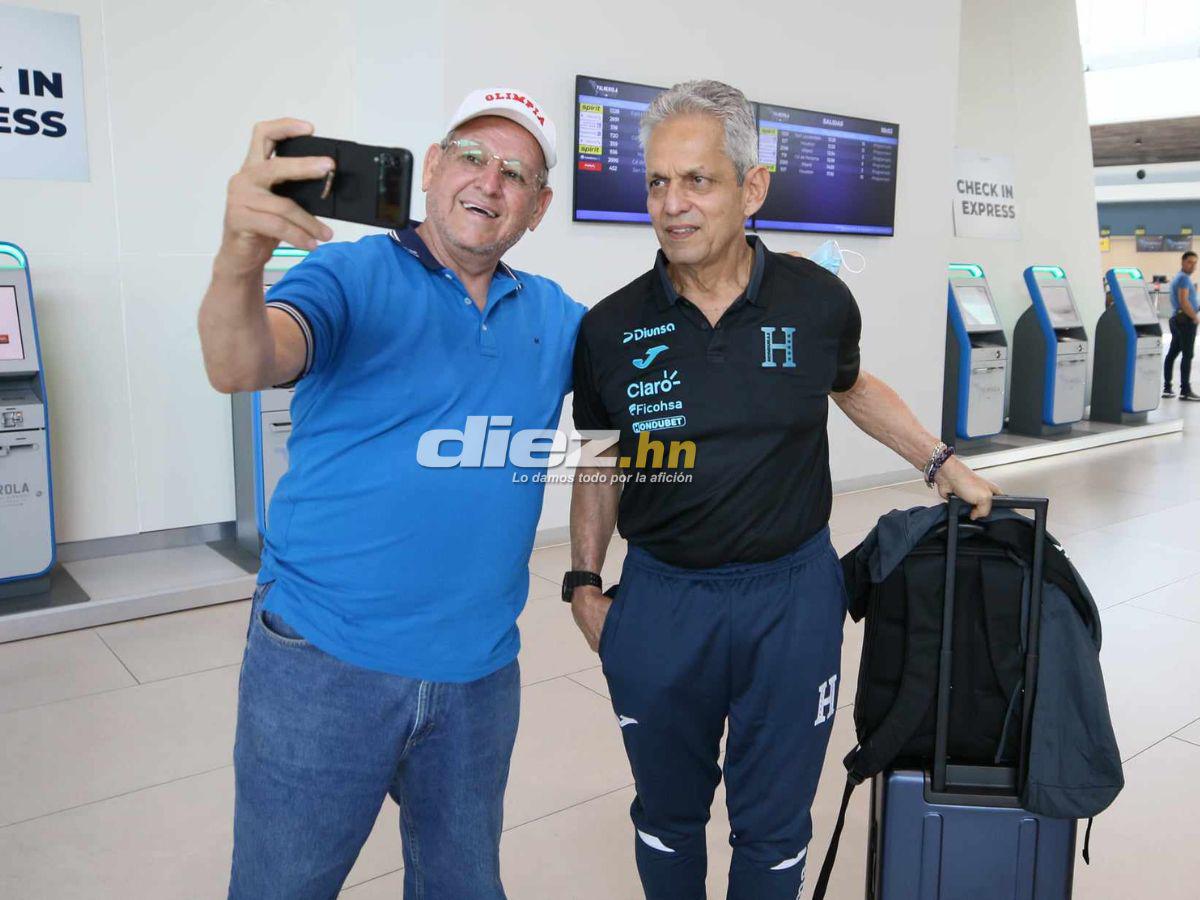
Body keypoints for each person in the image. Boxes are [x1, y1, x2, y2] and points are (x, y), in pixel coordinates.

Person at [564, 80, 1000, 900]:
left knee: (774, 827)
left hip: (790, 597)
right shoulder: (610, 328)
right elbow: (599, 455)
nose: (672, 204)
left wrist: (942, 463)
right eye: (657, 182)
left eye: (697, 180)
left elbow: (852, 384)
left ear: (751, 188)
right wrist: (586, 583)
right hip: (662, 599)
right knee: (665, 816)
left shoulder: (817, 300)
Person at [197, 88, 585, 899]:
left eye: (517, 172)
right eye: (472, 156)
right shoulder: (347, 276)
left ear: (539, 207)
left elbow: (653, 382)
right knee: (283, 885)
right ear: (434, 166)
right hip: (325, 669)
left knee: (462, 887)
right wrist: (240, 254)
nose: (490, 181)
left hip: (479, 678)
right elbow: (240, 362)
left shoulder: (554, 314)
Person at [1163, 249, 1199, 399]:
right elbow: (1184, 302)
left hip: (1177, 320)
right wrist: (1195, 317)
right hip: (1185, 321)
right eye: (1189, 262)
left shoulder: (1179, 277)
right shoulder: (1183, 279)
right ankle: (1185, 390)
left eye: (1195, 263)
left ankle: (1167, 387)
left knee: (1172, 353)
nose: (1193, 266)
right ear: (1183, 262)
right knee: (1187, 355)